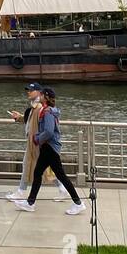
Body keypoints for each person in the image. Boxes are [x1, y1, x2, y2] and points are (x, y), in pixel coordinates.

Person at [13, 87, 86, 215]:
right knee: (38, 173)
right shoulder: (48, 111)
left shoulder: (47, 112)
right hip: (48, 147)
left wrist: (37, 139)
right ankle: (30, 203)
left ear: (45, 97)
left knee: (60, 176)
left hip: (50, 148)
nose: (39, 96)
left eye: (41, 95)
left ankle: (78, 203)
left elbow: (48, 131)